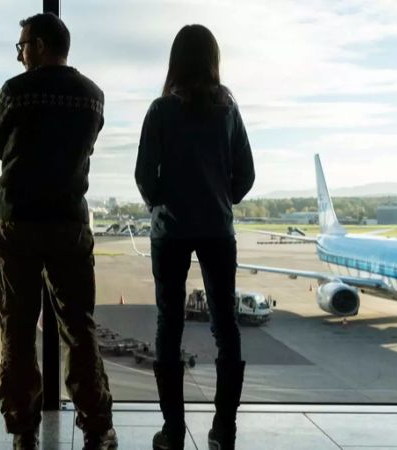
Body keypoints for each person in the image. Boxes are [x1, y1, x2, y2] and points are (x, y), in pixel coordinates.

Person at [0, 12, 117, 450]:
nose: (19, 53)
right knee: (79, 326)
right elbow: (86, 144)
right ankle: (97, 426)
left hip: (18, 219)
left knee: (18, 327)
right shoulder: (92, 96)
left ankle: (23, 428)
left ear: (39, 45)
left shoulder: (15, 92)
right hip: (68, 221)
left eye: (21, 45)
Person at [135, 25, 255, 450]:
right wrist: (221, 197)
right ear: (213, 61)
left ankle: (172, 431)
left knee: (169, 325)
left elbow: (143, 177)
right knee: (227, 326)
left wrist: (162, 203)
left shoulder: (160, 111)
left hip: (171, 230)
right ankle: (224, 430)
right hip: (218, 230)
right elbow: (247, 175)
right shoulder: (228, 111)